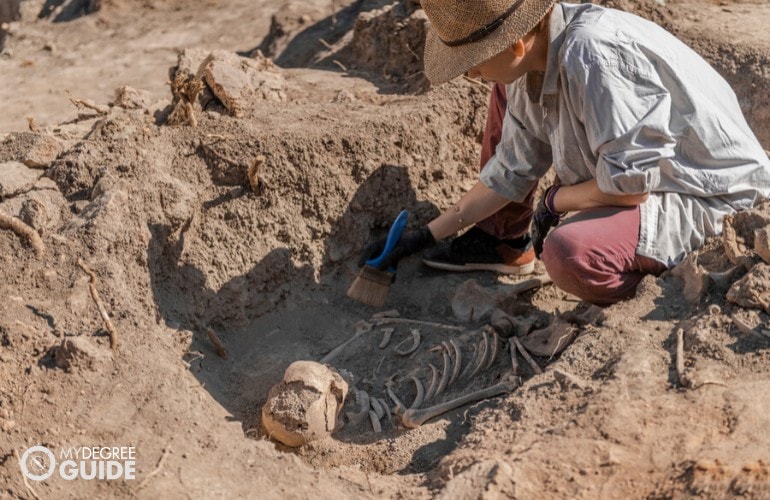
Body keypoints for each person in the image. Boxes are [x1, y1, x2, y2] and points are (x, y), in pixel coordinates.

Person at [359, 0, 770, 306]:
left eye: (473, 60)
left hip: (712, 196)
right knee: (503, 89)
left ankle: (660, 298)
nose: (469, 73)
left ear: (516, 44)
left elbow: (629, 185)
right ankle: (502, 245)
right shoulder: (536, 56)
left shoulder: (594, 55)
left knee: (569, 253)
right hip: (648, 179)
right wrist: (424, 235)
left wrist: (555, 201)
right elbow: (509, 171)